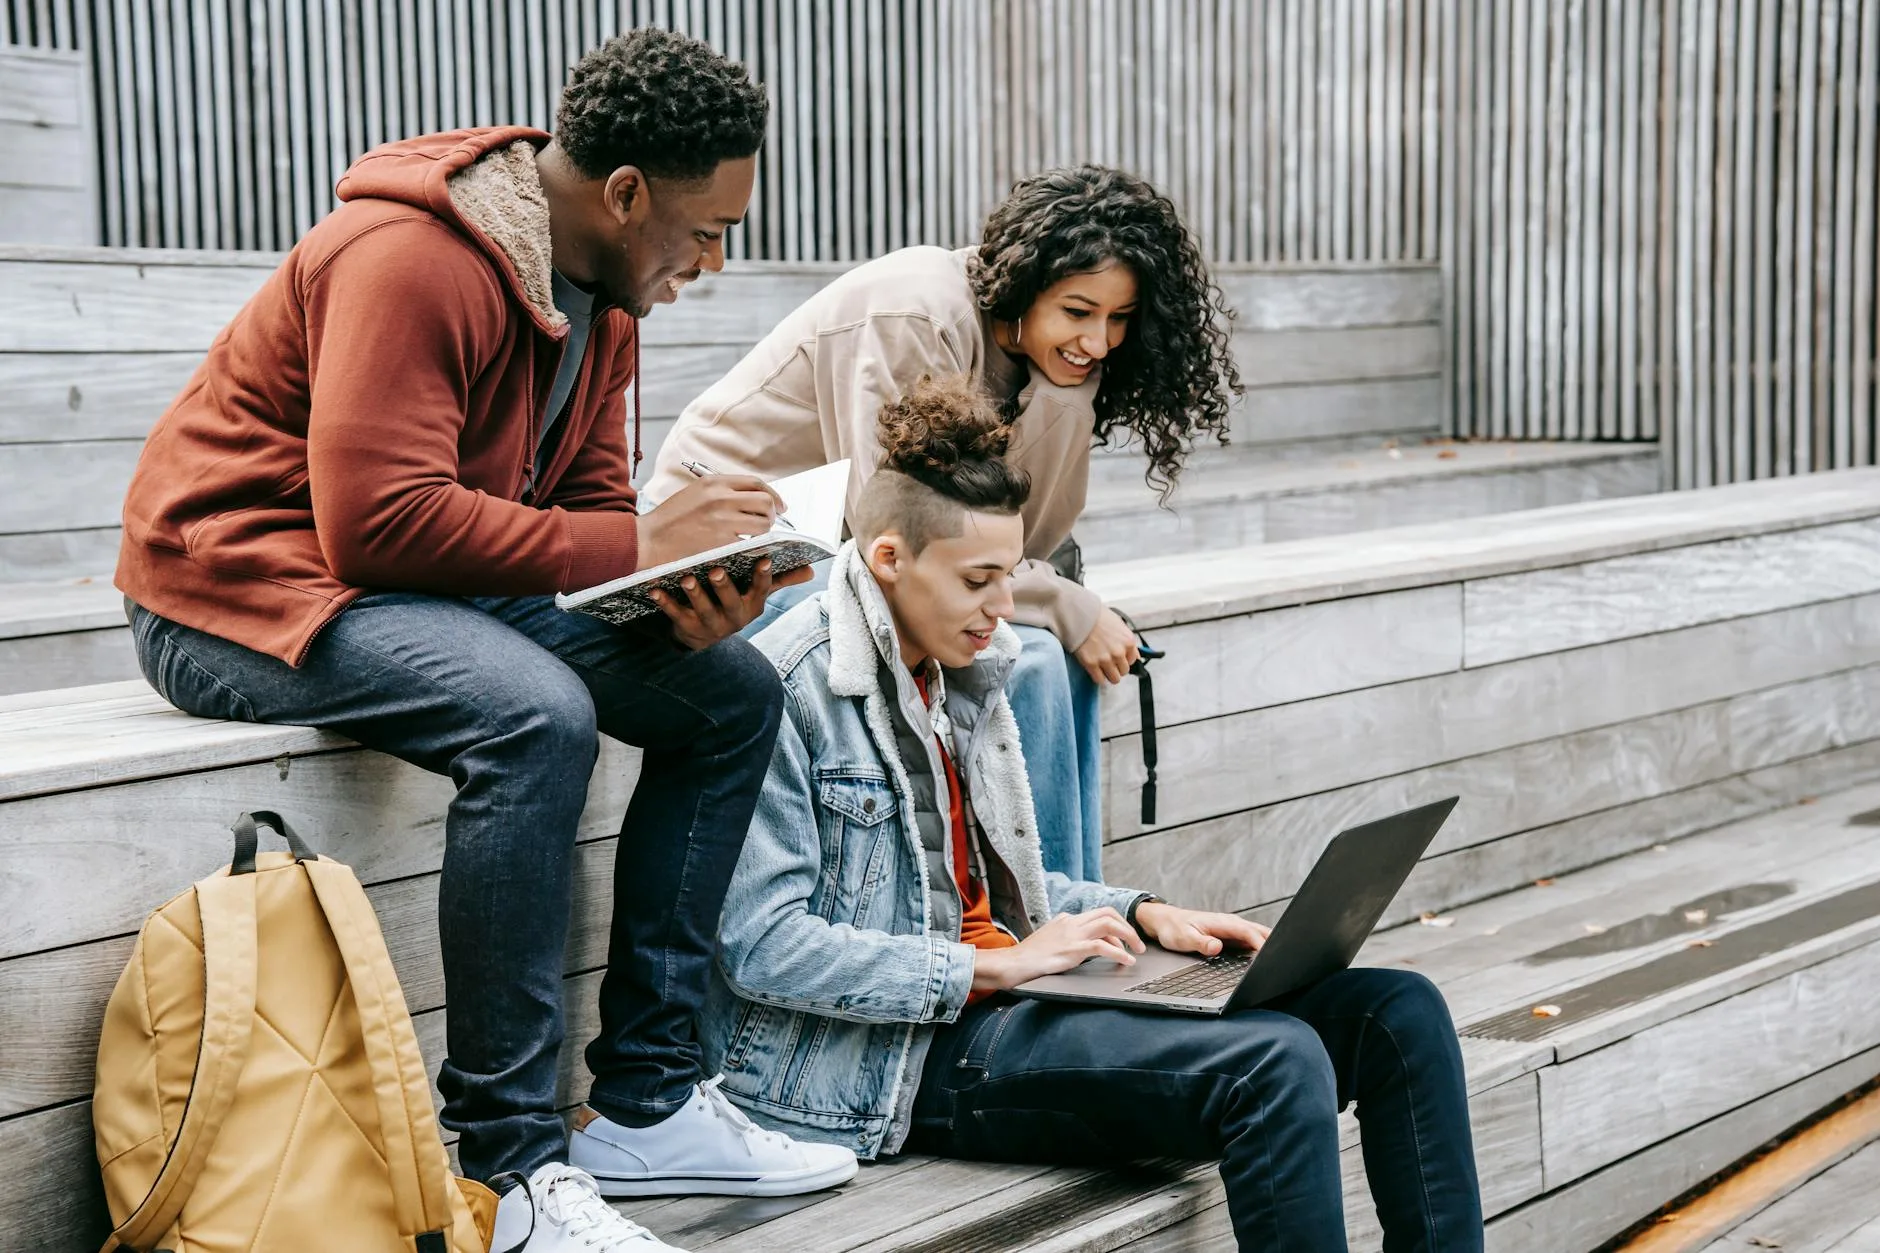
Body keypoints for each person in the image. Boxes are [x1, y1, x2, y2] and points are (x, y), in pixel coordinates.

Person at [115, 29, 854, 1253]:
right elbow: (376, 521)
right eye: (706, 228)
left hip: (424, 582)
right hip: (233, 588)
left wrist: (679, 585)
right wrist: (630, 544)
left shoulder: (606, 294)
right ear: (623, 196)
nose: (712, 261)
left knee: (725, 692)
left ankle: (650, 1105)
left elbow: (591, 510)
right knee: (534, 713)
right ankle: (510, 1171)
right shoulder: (409, 257)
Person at [701, 375, 1485, 1251]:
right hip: (900, 1060)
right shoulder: (786, 684)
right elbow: (762, 945)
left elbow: (998, 893)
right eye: (979, 579)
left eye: (1011, 574)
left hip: (1011, 999)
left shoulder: (959, 667)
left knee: (1399, 1010)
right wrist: (991, 969)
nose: (1005, 609)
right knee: (1277, 1061)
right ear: (889, 557)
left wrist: (1145, 914)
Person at [646, 165, 1244, 881]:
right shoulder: (917, 316)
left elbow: (1030, 538)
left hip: (859, 556)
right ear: (1026, 284)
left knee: (1061, 663)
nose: (1100, 340)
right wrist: (1061, 600)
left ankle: (1069, 916)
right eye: (1079, 311)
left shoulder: (1046, 355)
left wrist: (1063, 397)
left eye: (1118, 319)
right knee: (1028, 658)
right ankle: (1034, 943)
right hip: (740, 558)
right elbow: (891, 538)